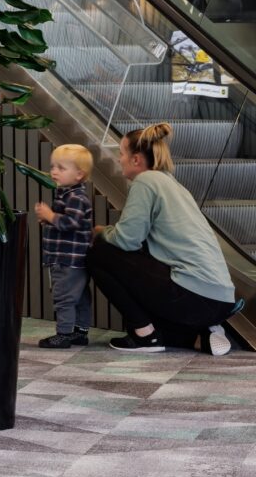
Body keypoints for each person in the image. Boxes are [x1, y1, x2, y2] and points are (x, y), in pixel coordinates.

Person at [85, 123, 240, 355]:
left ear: (136, 160)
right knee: (140, 259)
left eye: (122, 154)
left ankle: (145, 335)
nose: (119, 160)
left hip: (193, 295)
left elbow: (127, 240)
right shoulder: (172, 184)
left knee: (98, 252)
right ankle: (203, 333)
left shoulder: (146, 181)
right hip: (220, 300)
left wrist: (101, 232)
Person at [34, 144, 95, 349]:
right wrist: (49, 221)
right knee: (79, 297)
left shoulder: (75, 197)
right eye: (53, 166)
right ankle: (80, 331)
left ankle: (64, 334)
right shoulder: (66, 194)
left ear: (79, 174)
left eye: (61, 168)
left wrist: (50, 215)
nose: (54, 171)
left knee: (65, 298)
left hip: (68, 259)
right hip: (73, 258)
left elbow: (71, 223)